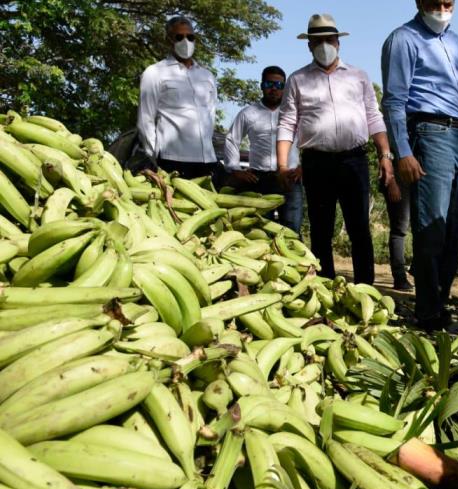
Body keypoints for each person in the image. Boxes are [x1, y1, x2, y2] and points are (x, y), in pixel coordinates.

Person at [382, 0, 458, 330]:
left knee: (457, 229)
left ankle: (440, 305)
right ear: (419, 2)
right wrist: (402, 151)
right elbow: (394, 99)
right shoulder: (403, 39)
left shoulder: (456, 41)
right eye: (435, 2)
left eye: (448, 3)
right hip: (430, 133)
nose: (442, 9)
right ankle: (428, 313)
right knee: (432, 228)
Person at [276, 14, 393, 285]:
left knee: (359, 229)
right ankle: (325, 288)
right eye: (317, 41)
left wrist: (385, 155)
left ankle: (365, 290)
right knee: (320, 229)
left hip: (354, 160)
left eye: (329, 40)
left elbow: (374, 117)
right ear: (309, 46)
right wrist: (282, 164)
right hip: (316, 163)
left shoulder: (358, 76)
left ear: (338, 42)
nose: (324, 46)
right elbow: (287, 123)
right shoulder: (297, 80)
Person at [223, 66, 304, 233]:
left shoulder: (293, 114)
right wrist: (235, 169)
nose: (274, 89)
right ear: (262, 86)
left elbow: (312, 139)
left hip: (290, 179)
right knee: (260, 230)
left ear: (285, 88)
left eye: (279, 85)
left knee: (292, 230)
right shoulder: (248, 113)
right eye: (269, 84)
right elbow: (232, 139)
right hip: (259, 180)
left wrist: (304, 168)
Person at [137, 16, 218, 178]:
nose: (186, 41)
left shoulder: (207, 76)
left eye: (190, 37)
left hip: (207, 159)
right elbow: (145, 119)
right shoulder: (154, 73)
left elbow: (211, 116)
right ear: (169, 40)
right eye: (179, 37)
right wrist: (153, 157)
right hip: (171, 159)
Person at [380, 174, 413, 292]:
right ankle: (399, 278)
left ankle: (415, 272)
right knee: (399, 229)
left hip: (409, 178)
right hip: (397, 178)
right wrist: (392, 181)